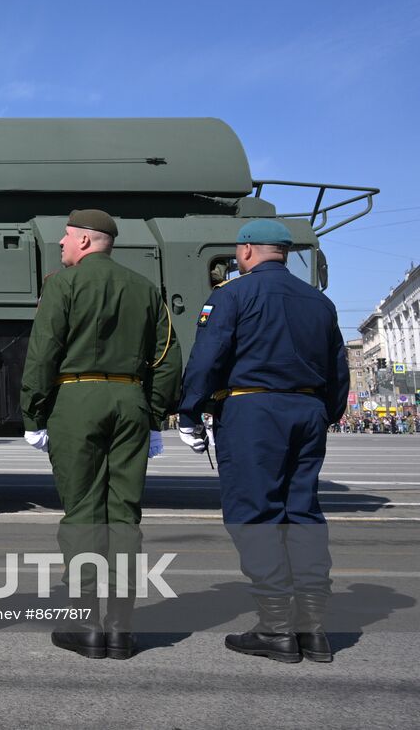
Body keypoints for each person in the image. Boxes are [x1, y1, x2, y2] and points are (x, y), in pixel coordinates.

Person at [178, 220, 348, 664]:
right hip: (307, 411)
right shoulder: (320, 302)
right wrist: (325, 412)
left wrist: (190, 412)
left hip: (254, 412)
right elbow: (338, 367)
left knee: (255, 514)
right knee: (303, 512)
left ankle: (275, 630)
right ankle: (312, 631)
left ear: (248, 250)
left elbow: (208, 357)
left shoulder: (232, 295)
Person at [20, 209, 181, 660]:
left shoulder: (62, 285)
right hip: (130, 402)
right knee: (124, 515)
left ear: (87, 242)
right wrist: (153, 414)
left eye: (67, 238)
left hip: (76, 400)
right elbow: (167, 357)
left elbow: (44, 349)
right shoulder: (147, 290)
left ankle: (87, 624)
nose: (61, 244)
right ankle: (122, 627)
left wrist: (33, 412)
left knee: (84, 512)